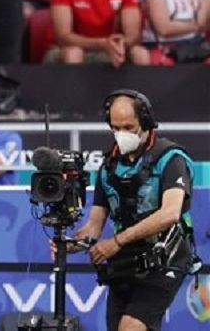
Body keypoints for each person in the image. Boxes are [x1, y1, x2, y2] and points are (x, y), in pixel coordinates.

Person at [65, 89, 197, 331]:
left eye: (128, 127)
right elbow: (94, 226)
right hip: (125, 262)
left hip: (165, 255)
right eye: (116, 128)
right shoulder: (108, 168)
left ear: (145, 122)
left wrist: (117, 241)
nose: (122, 134)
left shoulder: (171, 159)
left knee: (130, 326)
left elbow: (170, 213)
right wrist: (70, 244)